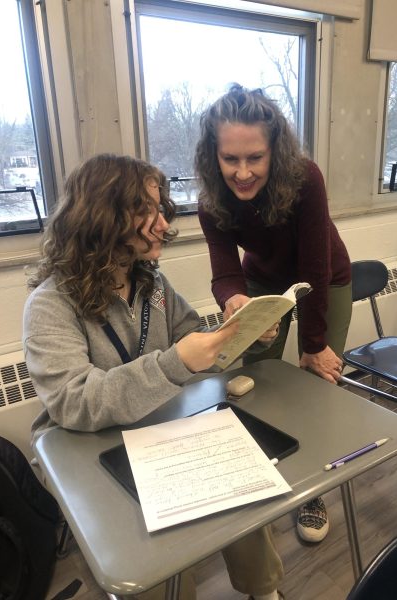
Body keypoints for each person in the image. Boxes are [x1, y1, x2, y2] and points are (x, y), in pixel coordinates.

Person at [23, 153, 284, 600]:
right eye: (148, 210)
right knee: (159, 555)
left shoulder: (152, 284)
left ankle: (265, 591)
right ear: (105, 217)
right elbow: (73, 402)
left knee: (241, 488)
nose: (164, 222)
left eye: (161, 207)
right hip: (87, 448)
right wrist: (176, 362)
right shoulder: (51, 305)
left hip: (156, 428)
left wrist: (243, 332)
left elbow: (190, 340)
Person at [195, 84, 352, 544]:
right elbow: (224, 272)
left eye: (255, 158)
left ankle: (312, 490)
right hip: (262, 281)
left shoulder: (305, 179)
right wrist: (235, 302)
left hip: (327, 276)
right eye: (230, 160)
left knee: (315, 385)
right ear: (214, 156)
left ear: (274, 151)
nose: (242, 173)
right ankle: (261, 472)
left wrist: (313, 345)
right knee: (255, 383)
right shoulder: (211, 201)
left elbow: (314, 271)